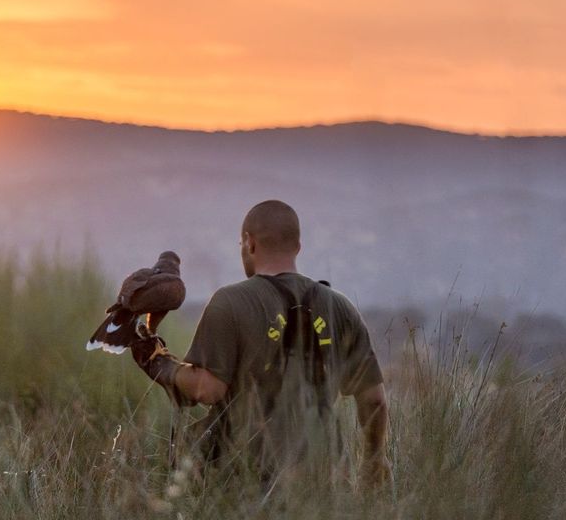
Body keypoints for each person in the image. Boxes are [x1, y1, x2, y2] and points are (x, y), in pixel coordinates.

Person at [130, 200, 390, 490]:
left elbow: (207, 388)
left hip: (245, 481)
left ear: (249, 244)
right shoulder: (340, 307)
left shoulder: (230, 301)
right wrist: (374, 461)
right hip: (326, 480)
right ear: (298, 247)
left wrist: (159, 363)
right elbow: (374, 400)